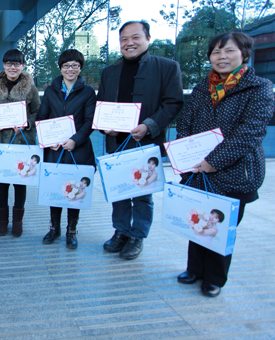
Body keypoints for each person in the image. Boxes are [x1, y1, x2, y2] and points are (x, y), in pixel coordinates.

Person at [175, 31, 274, 297]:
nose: (222, 56)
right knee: (197, 219)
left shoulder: (259, 87)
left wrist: (213, 161)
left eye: (229, 50)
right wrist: (185, 155)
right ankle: (194, 269)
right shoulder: (202, 88)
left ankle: (215, 278)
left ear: (244, 54)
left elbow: (250, 132)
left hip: (235, 171)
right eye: (216, 52)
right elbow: (185, 122)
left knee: (220, 225)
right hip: (198, 169)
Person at [98, 20, 184, 260]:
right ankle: (121, 231)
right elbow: (101, 106)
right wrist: (105, 128)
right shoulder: (110, 72)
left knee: (142, 193)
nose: (129, 43)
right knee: (119, 190)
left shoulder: (167, 67)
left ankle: (138, 235)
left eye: (135, 37)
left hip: (145, 144)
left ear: (148, 39)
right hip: (117, 143)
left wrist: (149, 125)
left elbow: (173, 103)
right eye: (124, 39)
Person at [36, 49, 97, 249]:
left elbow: (90, 121)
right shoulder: (51, 91)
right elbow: (41, 118)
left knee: (75, 190)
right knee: (55, 189)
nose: (70, 69)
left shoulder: (88, 92)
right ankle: (54, 228)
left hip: (77, 149)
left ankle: (72, 231)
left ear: (80, 68)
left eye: (75, 65)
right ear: (60, 68)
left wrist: (75, 140)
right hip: (54, 150)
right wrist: (48, 140)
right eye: (66, 65)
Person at [0, 49, 40, 237]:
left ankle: (17, 221)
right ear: (4, 65)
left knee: (20, 180)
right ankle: (3, 221)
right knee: (2, 181)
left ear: (23, 65)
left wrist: (26, 124)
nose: (12, 67)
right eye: (9, 63)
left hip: (20, 141)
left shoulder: (30, 87)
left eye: (16, 63)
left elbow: (37, 112)